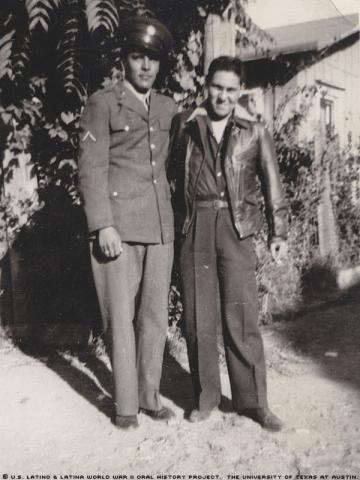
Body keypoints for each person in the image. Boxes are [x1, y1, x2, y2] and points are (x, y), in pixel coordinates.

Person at [170, 56, 288, 431]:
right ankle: (205, 398)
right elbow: (172, 177)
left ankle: (253, 402)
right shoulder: (185, 125)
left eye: (230, 89)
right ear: (206, 86)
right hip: (195, 225)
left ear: (240, 92)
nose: (222, 95)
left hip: (238, 228)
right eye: (217, 87)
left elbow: (273, 185)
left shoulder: (254, 131)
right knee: (198, 316)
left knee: (242, 315)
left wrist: (278, 232)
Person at [78, 16, 177, 429]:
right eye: (138, 57)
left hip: (159, 228)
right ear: (125, 59)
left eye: (152, 59)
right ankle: (125, 407)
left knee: (154, 318)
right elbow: (90, 169)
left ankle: (150, 397)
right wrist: (102, 225)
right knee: (119, 318)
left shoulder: (170, 107)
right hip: (118, 228)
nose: (146, 67)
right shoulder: (102, 103)